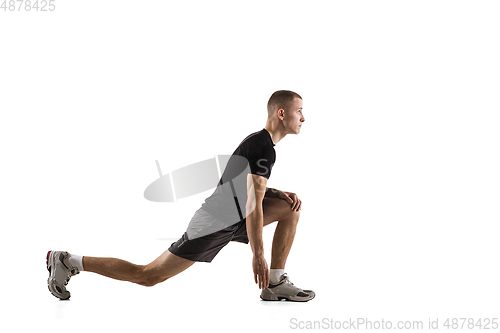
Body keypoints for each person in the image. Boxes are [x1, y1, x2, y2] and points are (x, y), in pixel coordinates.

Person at [47, 90, 314, 302]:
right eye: (299, 110)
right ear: (282, 113)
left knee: (290, 207)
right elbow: (252, 204)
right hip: (215, 222)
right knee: (148, 276)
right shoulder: (263, 147)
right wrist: (258, 255)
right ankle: (67, 261)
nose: (303, 117)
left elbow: (245, 188)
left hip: (234, 218)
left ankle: (276, 283)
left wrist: (278, 192)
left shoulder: (262, 144)